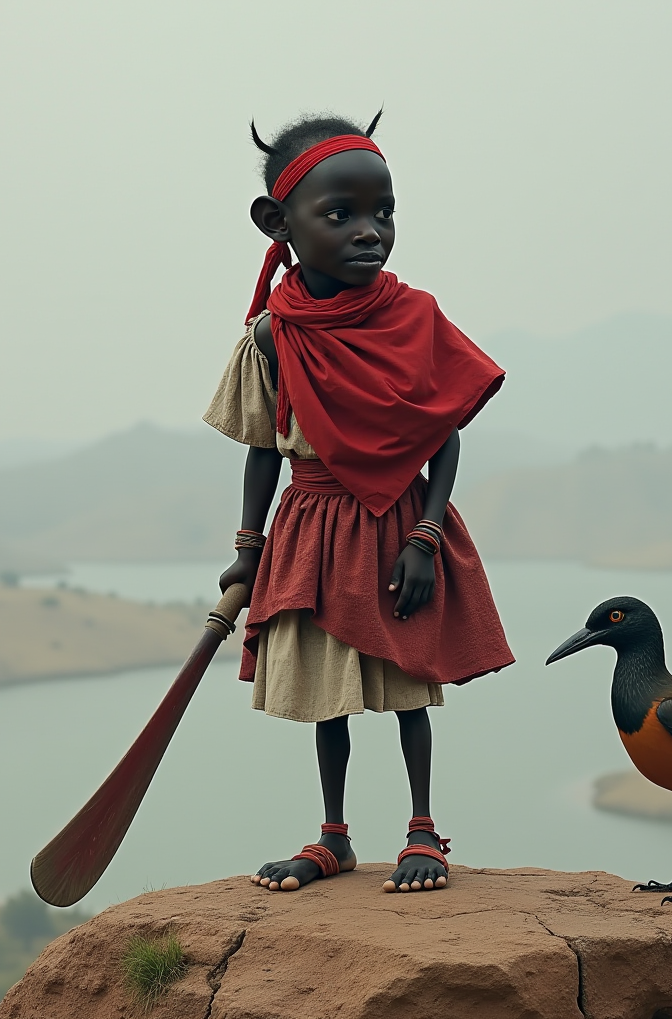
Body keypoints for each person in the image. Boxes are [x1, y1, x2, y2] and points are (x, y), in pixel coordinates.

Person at [204, 110, 513, 894]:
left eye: (384, 212)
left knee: (408, 683)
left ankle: (422, 832)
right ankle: (333, 837)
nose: (369, 231)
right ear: (278, 223)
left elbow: (441, 436)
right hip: (308, 529)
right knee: (327, 693)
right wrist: (248, 547)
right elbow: (264, 447)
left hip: (397, 525)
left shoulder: (413, 318)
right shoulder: (272, 337)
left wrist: (428, 536)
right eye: (340, 215)